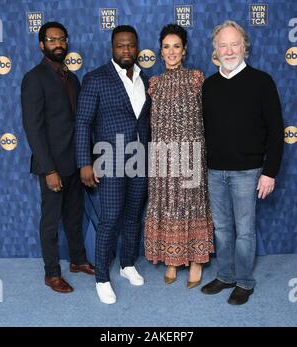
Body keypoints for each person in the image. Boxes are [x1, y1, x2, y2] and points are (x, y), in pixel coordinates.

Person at [201, 20, 284, 305]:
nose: (229, 50)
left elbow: (276, 131)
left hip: (248, 173)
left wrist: (269, 172)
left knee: (245, 231)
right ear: (215, 49)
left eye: (234, 44)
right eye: (223, 45)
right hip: (214, 172)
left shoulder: (262, 81)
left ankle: (245, 281)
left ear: (244, 47)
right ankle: (225, 276)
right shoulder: (209, 86)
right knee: (222, 230)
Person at [75, 25, 151, 304]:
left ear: (137, 46)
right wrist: (85, 163)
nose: (126, 50)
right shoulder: (95, 78)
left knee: (133, 216)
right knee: (110, 219)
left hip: (140, 159)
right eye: (120, 46)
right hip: (109, 160)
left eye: (131, 45)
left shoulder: (146, 78)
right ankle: (102, 278)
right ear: (112, 48)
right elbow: (83, 122)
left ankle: (128, 264)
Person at [21, 22, 94, 294]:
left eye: (62, 39)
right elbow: (33, 127)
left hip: (74, 162)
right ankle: (52, 273)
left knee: (74, 217)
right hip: (52, 164)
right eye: (52, 40)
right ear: (42, 45)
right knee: (51, 221)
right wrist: (48, 168)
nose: (58, 43)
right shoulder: (34, 78)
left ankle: (77, 261)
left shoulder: (71, 77)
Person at [144, 24, 214, 288]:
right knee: (169, 205)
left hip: (191, 155)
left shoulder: (197, 78)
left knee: (192, 204)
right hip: (162, 157)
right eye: (166, 47)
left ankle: (196, 260)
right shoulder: (154, 83)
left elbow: (209, 117)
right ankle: (172, 259)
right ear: (160, 52)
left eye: (176, 46)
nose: (171, 52)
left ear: (184, 51)